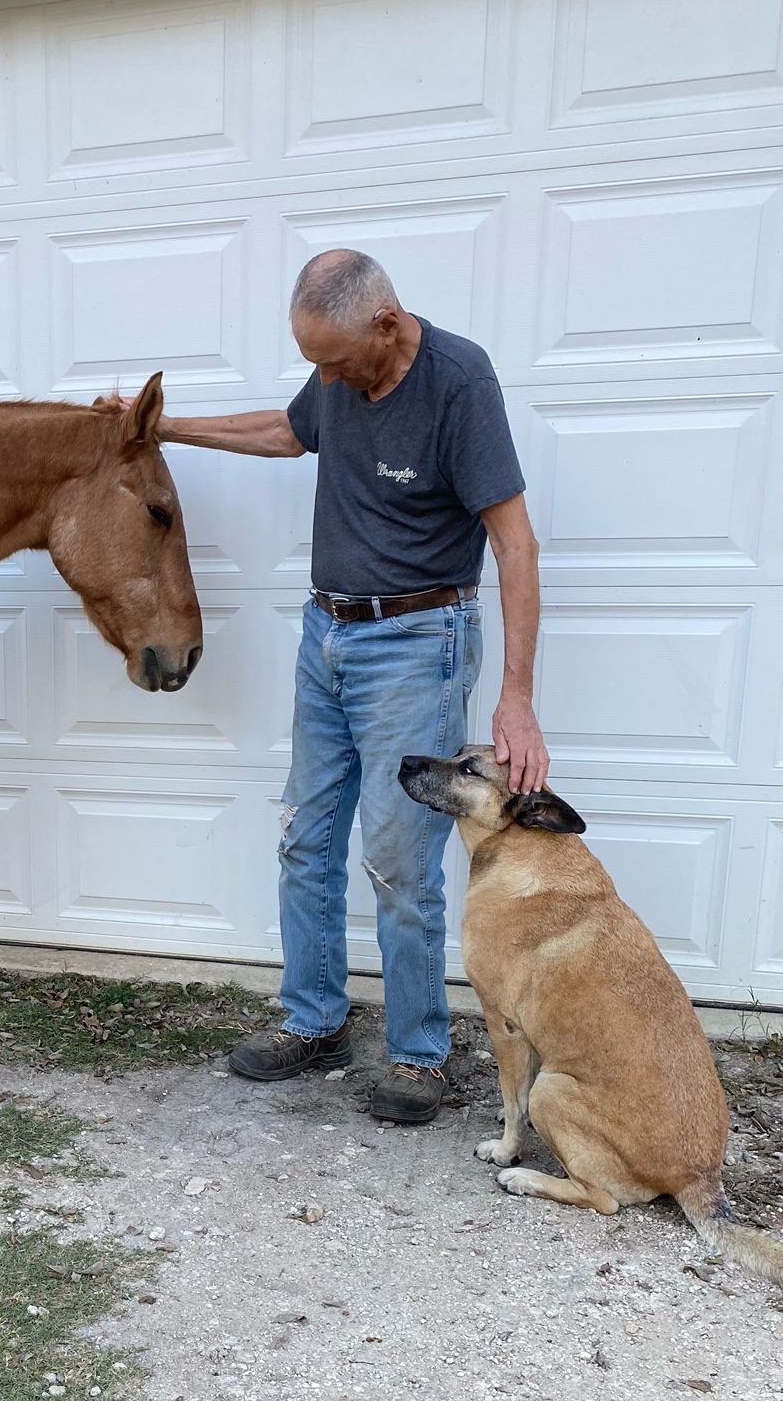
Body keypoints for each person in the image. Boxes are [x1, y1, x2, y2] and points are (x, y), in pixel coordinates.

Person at [154, 247, 548, 1123]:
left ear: (386, 322)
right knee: (305, 834)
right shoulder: (337, 373)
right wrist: (166, 429)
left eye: (332, 362)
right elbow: (287, 432)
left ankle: (418, 1054)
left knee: (401, 857)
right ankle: (313, 1019)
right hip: (325, 633)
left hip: (418, 640)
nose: (324, 381)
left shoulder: (458, 382)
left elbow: (515, 541)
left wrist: (516, 696)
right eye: (314, 365)